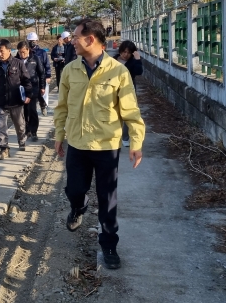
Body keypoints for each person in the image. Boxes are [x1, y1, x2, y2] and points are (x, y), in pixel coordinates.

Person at [53, 19, 145, 270]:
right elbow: (61, 107)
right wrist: (59, 136)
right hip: (78, 143)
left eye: (75, 37)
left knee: (107, 199)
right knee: (74, 189)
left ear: (90, 39)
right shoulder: (71, 70)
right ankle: (78, 207)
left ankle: (109, 244)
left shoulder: (118, 72)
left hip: (106, 146)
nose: (72, 41)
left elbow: (131, 111)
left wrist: (136, 142)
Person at [0, 39, 32, 160]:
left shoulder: (18, 64)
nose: (0, 54)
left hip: (16, 101)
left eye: (2, 51)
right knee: (1, 126)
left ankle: (22, 140)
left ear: (9, 50)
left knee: (19, 125)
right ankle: (4, 148)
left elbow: (26, 80)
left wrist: (28, 95)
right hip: (1, 102)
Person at [113, 40, 144, 147]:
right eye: (124, 52)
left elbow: (139, 72)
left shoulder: (133, 61)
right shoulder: (113, 60)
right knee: (113, 112)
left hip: (128, 90)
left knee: (127, 112)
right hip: (113, 89)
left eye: (128, 52)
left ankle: (125, 137)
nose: (125, 54)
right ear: (120, 50)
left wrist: (138, 59)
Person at [16, 41, 45, 141]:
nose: (21, 54)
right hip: (20, 90)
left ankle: (34, 131)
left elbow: (41, 73)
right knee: (23, 112)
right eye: (20, 52)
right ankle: (26, 130)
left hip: (33, 89)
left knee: (32, 110)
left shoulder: (35, 58)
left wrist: (42, 86)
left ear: (28, 49)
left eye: (23, 52)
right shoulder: (16, 60)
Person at [26, 32, 51, 115]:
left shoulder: (42, 52)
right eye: (30, 41)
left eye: (34, 41)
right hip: (29, 77)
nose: (32, 42)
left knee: (41, 94)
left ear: (37, 41)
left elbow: (47, 64)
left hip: (40, 77)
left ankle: (43, 105)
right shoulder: (25, 52)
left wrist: (48, 76)